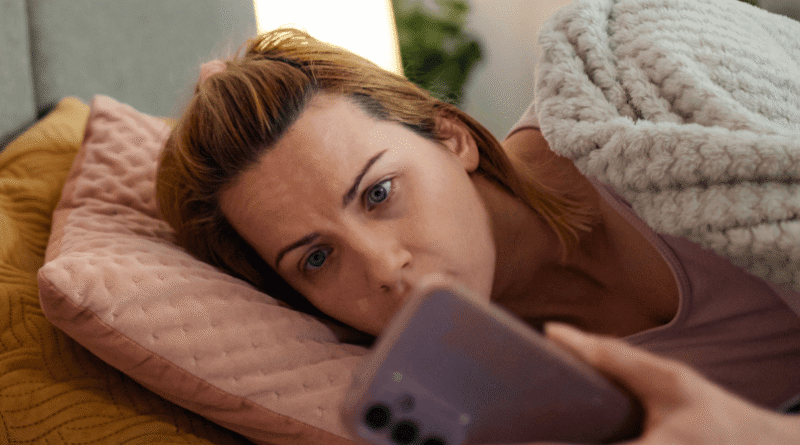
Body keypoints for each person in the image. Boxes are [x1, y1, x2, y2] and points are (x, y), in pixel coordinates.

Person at [155, 24, 800, 444]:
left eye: (379, 193)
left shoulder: (645, 79)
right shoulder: (488, 398)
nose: (383, 267)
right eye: (318, 258)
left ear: (450, 137)